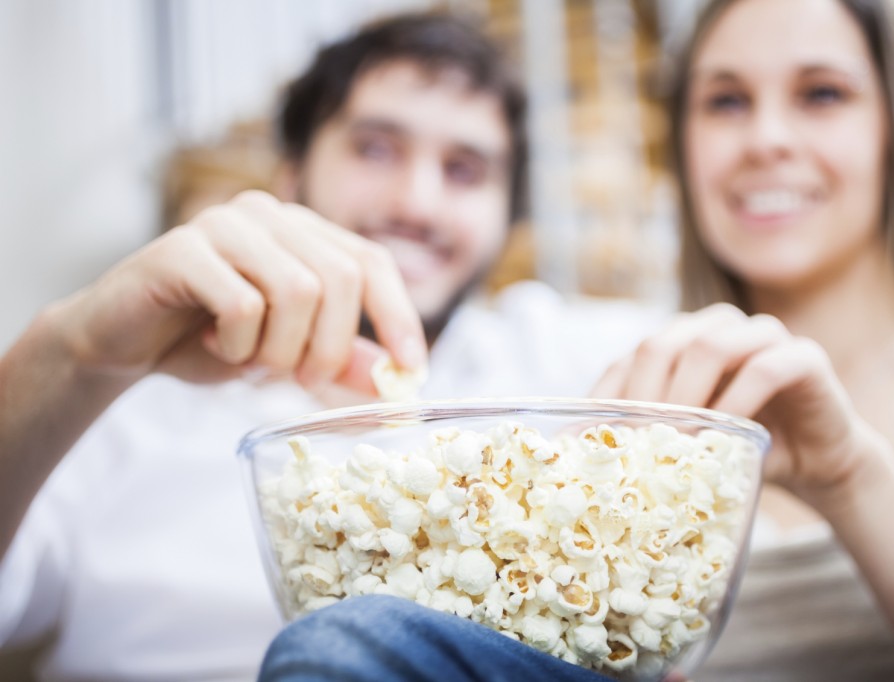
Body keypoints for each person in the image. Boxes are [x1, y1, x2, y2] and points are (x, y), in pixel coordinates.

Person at [257, 1, 894, 681]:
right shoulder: (609, 359)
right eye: (724, 101)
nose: (765, 138)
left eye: (821, 94)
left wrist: (853, 481)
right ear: (682, 144)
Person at [0, 12, 665, 680]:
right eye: (375, 149)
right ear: (290, 178)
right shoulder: (120, 401)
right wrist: (75, 353)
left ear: (506, 219)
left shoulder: (566, 357)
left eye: (465, 170)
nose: (418, 202)